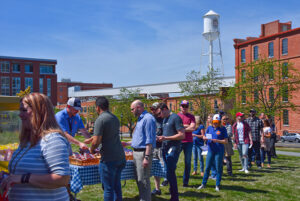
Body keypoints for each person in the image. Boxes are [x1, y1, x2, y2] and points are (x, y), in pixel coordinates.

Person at [0, 93, 70, 200]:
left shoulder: (53, 139)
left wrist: (22, 178)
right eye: (20, 110)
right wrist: (9, 176)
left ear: (39, 112)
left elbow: (62, 179)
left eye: (24, 110)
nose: (20, 115)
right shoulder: (27, 140)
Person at [87, 96, 126, 201]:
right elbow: (108, 136)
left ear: (98, 107)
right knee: (117, 185)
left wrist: (91, 150)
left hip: (109, 159)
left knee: (108, 188)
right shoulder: (115, 118)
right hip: (120, 156)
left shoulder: (100, 119)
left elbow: (97, 141)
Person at [157, 103, 185, 201]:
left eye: (160, 112)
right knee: (168, 173)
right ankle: (173, 194)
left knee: (170, 172)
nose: (159, 115)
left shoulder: (175, 118)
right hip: (165, 148)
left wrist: (166, 138)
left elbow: (182, 135)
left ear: (165, 109)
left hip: (173, 148)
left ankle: (174, 197)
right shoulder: (164, 119)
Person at [131, 100, 156, 201]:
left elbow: (149, 140)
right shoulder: (140, 119)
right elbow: (141, 138)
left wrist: (146, 157)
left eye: (132, 109)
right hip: (137, 152)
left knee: (144, 180)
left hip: (143, 153)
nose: (131, 111)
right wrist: (129, 143)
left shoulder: (148, 119)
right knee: (139, 180)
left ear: (138, 107)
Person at [197, 114, 228, 192]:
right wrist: (204, 138)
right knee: (207, 167)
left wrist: (217, 140)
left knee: (218, 167)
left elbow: (226, 141)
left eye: (217, 122)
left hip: (219, 150)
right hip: (210, 150)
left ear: (219, 122)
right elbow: (205, 136)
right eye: (214, 122)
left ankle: (217, 184)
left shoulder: (223, 129)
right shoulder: (209, 128)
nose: (215, 124)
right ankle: (203, 184)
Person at [177, 100, 195, 187]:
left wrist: (181, 127)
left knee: (187, 162)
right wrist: (187, 126)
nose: (184, 108)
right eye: (183, 106)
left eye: (186, 106)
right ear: (180, 106)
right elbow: (175, 128)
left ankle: (185, 182)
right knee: (173, 161)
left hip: (188, 142)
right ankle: (170, 180)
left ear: (188, 107)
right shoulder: (176, 116)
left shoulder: (191, 116)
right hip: (178, 141)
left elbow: (192, 128)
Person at [149, 102, 164, 196]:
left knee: (165, 168)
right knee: (155, 168)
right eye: (152, 109)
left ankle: (172, 187)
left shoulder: (165, 118)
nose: (153, 111)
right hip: (154, 146)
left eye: (154, 109)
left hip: (163, 147)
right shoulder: (151, 118)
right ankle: (157, 188)